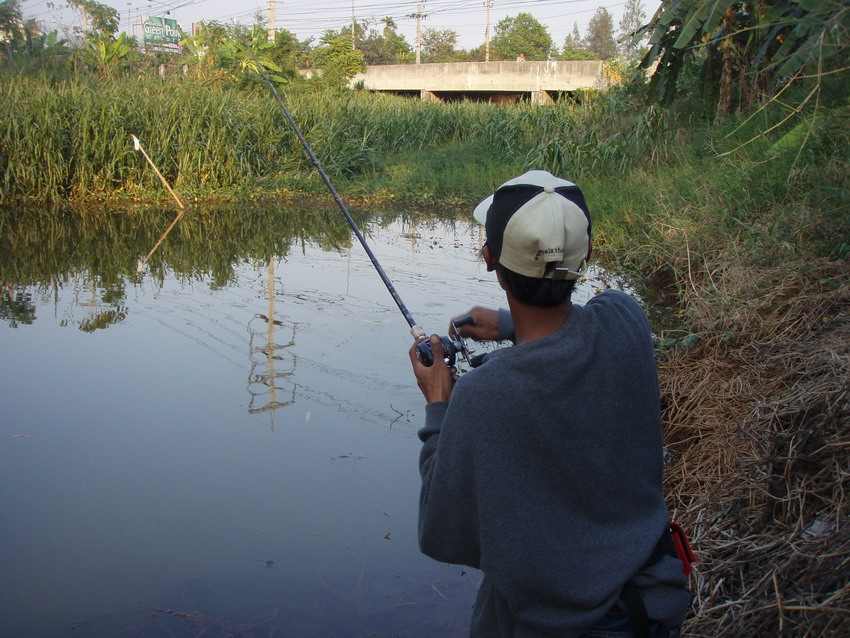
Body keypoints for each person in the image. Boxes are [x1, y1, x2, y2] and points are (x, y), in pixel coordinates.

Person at [408, 170, 691, 637]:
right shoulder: (626, 318)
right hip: (648, 606)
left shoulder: (483, 396)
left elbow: (442, 530)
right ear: (588, 257)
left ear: (489, 261)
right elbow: (579, 330)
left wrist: (439, 404)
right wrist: (506, 323)